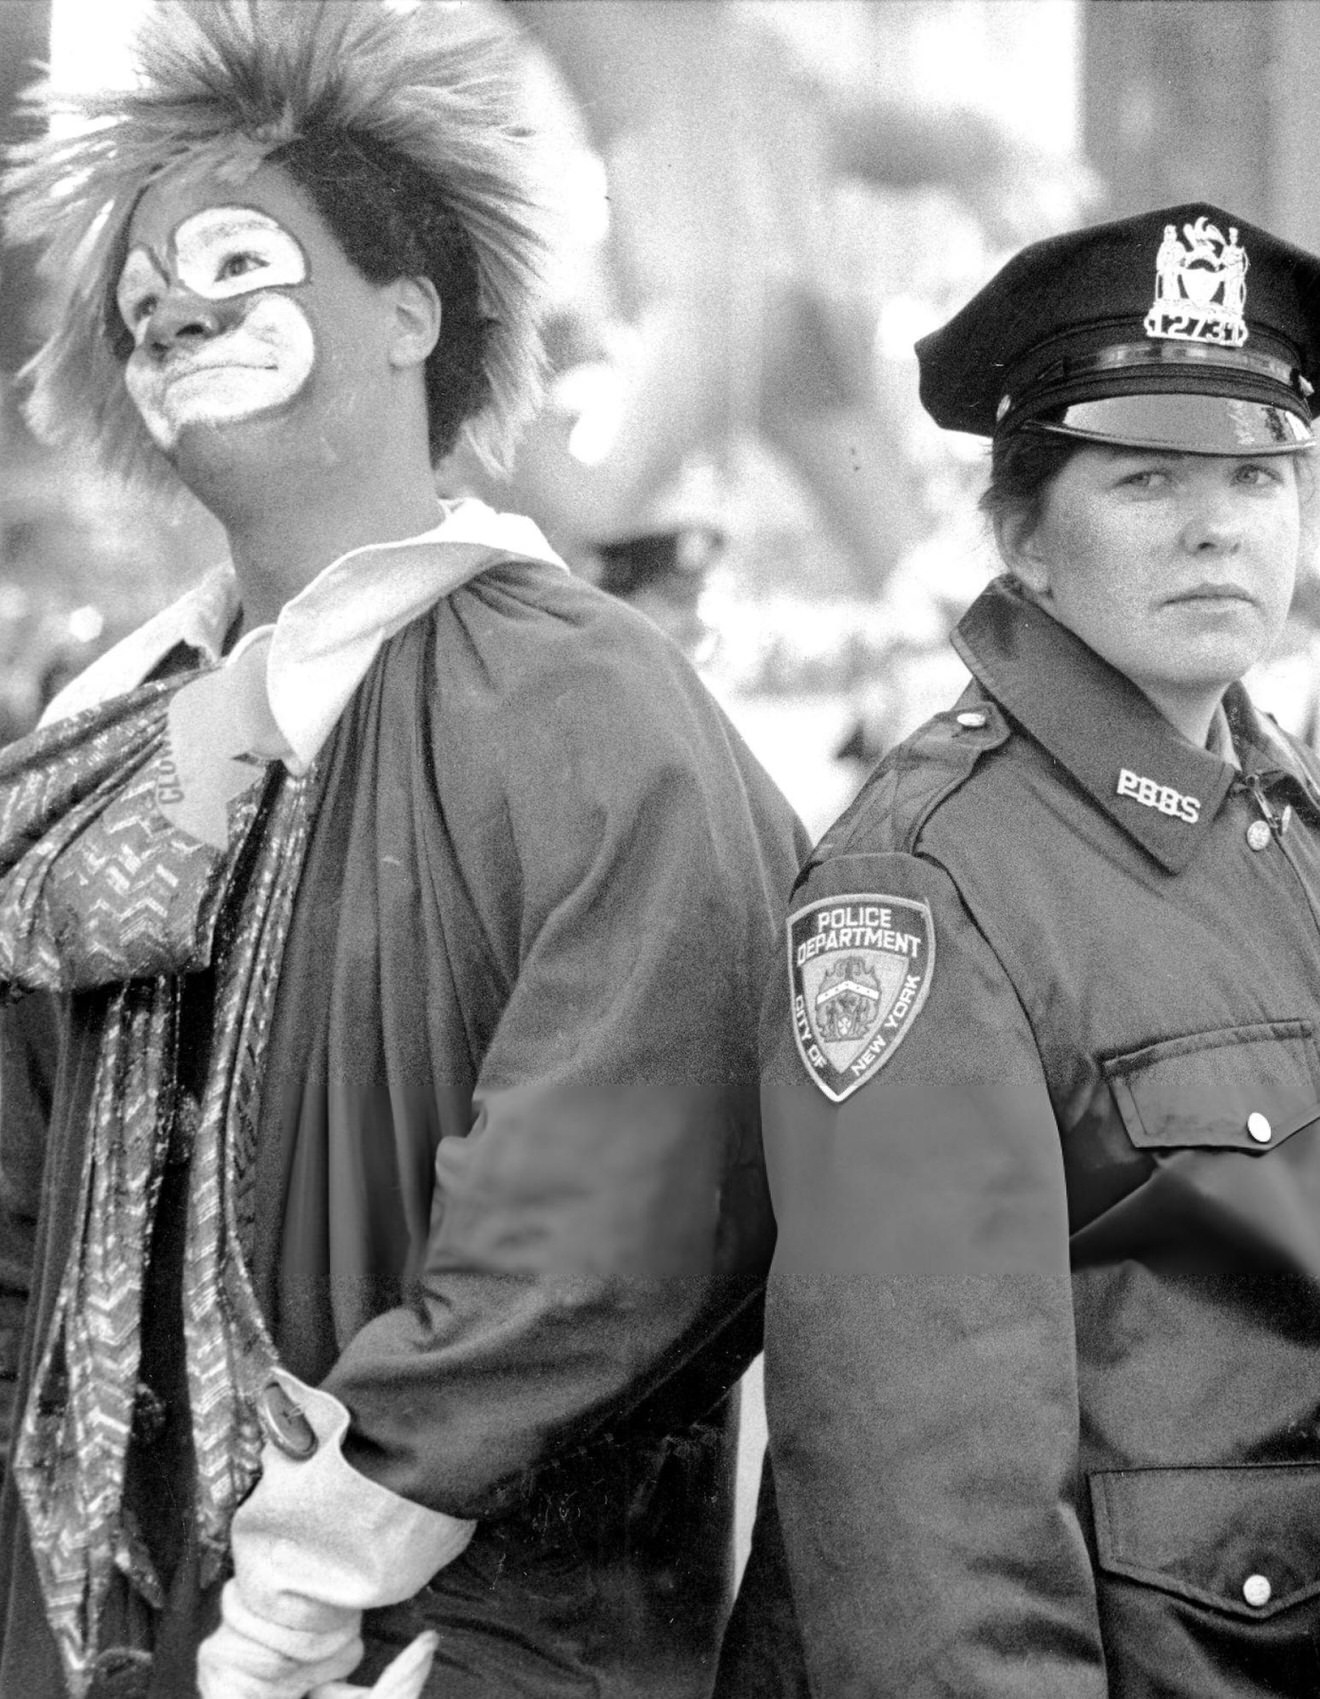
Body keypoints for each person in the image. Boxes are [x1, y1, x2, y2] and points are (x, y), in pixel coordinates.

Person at [0, 5, 804, 1697]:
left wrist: (316, 1574)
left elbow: (627, 1208)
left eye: (236, 265)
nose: (179, 316)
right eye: (143, 307)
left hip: (460, 1646)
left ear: (410, 314)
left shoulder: (592, 706)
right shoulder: (100, 738)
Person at [718, 204, 1320, 1698]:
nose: (1219, 525)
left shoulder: (1302, 820)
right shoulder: (930, 880)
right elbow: (924, 1522)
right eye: (1147, 477)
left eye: (1258, 472)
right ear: (1023, 535)